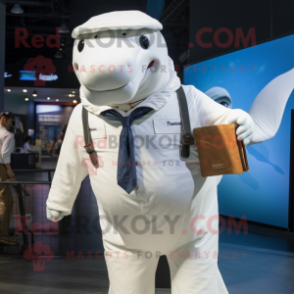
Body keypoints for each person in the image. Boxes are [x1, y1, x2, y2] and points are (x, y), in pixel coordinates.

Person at [0, 111, 18, 246]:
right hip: (1, 168)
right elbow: (5, 154)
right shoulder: (7, 134)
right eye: (10, 121)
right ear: (4, 119)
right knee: (7, 202)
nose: (11, 124)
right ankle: (3, 235)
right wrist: (9, 170)